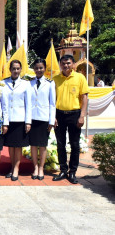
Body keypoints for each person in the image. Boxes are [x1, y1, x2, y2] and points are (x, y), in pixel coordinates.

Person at [53, 55, 88, 184]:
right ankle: (63, 170)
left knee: (74, 144)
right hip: (59, 114)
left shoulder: (80, 78)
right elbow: (52, 100)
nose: (66, 65)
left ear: (73, 64)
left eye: (68, 63)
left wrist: (82, 116)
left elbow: (84, 98)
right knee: (60, 144)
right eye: (63, 63)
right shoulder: (55, 79)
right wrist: (53, 117)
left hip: (75, 114)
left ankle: (72, 171)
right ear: (60, 64)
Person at [2, 60, 32, 181]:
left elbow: (28, 104)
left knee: (18, 146)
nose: (15, 71)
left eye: (18, 68)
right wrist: (4, 120)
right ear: (10, 69)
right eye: (13, 68)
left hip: (20, 118)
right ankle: (12, 165)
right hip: (8, 119)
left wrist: (28, 121)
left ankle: (16, 168)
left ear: (21, 69)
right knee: (10, 145)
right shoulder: (4, 83)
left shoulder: (26, 84)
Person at [29, 59, 56, 180]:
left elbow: (52, 104)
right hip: (32, 117)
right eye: (36, 68)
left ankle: (41, 168)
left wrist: (51, 120)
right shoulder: (29, 83)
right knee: (33, 145)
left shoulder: (50, 83)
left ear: (45, 68)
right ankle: (35, 167)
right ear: (33, 69)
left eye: (41, 68)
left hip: (44, 118)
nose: (39, 70)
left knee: (43, 145)